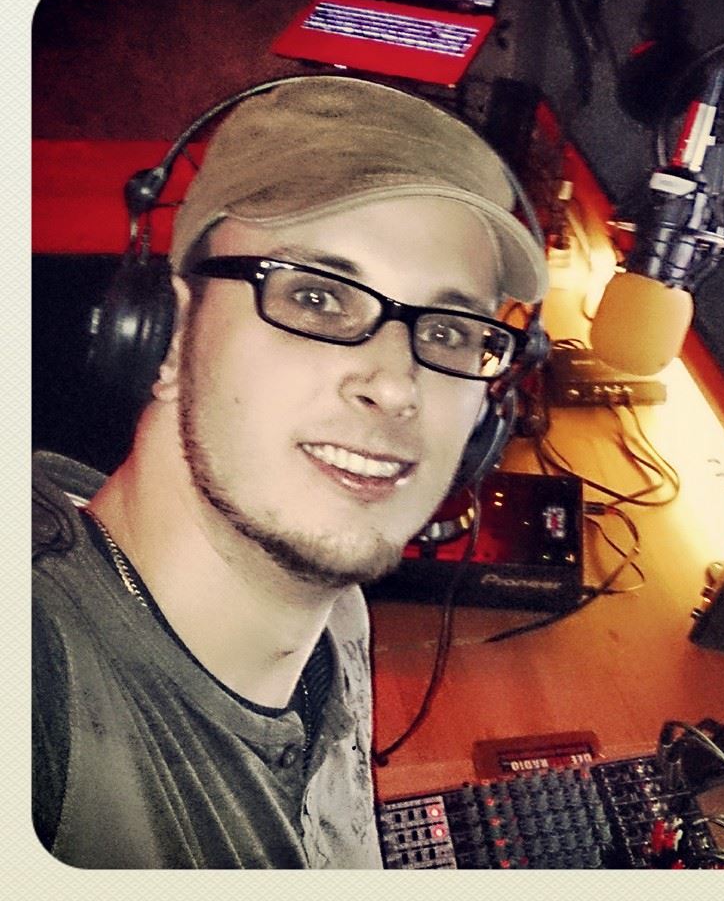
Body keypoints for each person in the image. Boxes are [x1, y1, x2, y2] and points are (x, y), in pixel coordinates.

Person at [31, 76, 548, 868]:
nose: (396, 384)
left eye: (447, 330)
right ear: (170, 333)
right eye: (317, 297)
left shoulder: (337, 613)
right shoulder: (38, 674)